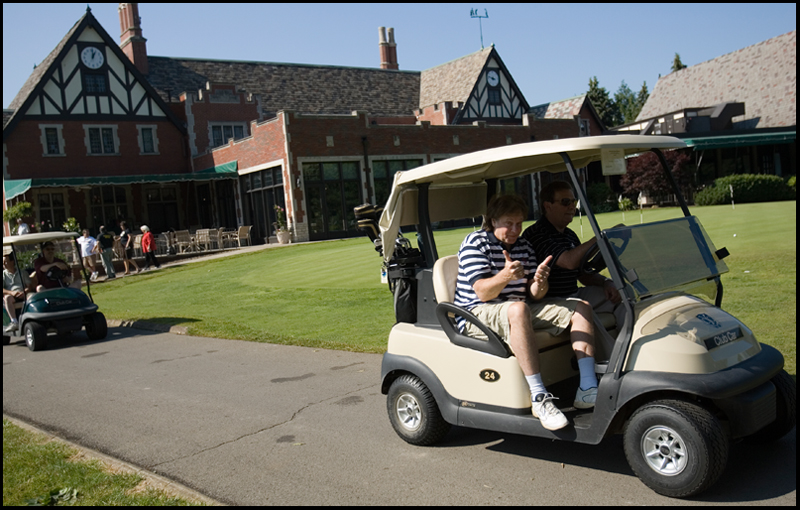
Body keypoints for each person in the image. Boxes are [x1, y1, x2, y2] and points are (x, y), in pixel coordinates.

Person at [453, 194, 598, 431]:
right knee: (519, 310)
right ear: (493, 221)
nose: (514, 229)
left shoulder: (524, 246)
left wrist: (539, 283)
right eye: (508, 223)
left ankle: (588, 387)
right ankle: (539, 397)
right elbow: (482, 292)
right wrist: (506, 275)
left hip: (516, 308)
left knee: (580, 306)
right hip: (477, 313)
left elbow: (532, 295)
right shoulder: (475, 243)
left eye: (519, 223)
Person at [522, 181, 624, 328]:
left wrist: (606, 282)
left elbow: (582, 275)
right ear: (548, 206)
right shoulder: (537, 233)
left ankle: (631, 340)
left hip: (573, 294)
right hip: (550, 301)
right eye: (565, 202)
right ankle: (608, 350)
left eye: (573, 202)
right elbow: (568, 261)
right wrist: (601, 238)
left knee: (622, 294)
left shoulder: (570, 235)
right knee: (582, 309)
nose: (572, 207)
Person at [3, 253, 36, 333]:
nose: (4, 264)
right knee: (7, 298)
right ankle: (14, 321)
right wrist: (11, 293)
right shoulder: (3, 275)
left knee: (33, 296)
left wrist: (24, 292)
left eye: (5, 262)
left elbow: (29, 286)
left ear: (12, 262)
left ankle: (35, 317)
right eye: (3, 262)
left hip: (24, 293)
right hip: (11, 296)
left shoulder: (23, 273)